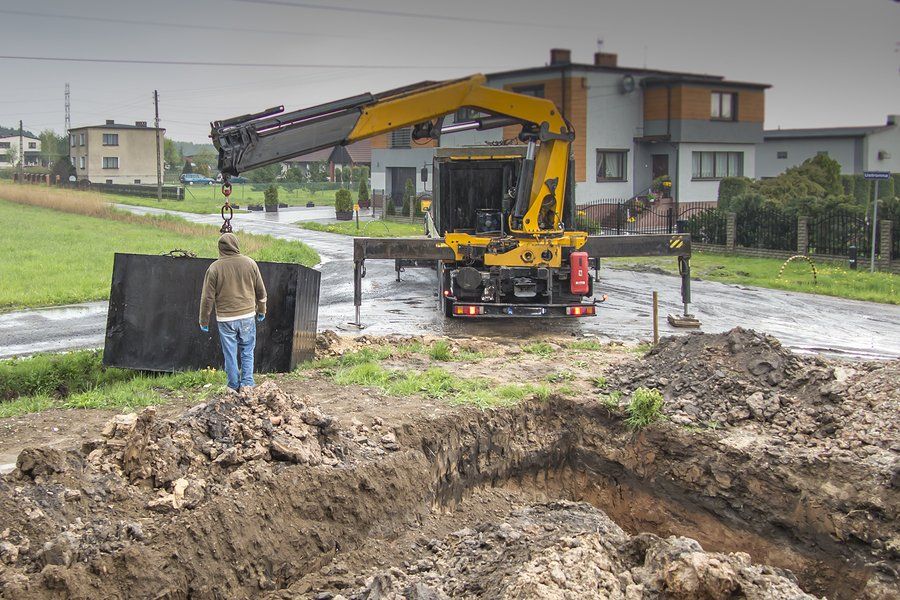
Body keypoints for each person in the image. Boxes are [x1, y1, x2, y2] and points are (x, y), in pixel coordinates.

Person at [199, 233, 267, 393]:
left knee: (229, 353)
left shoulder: (214, 268)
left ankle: (233, 385)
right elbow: (261, 291)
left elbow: (207, 298)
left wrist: (204, 320)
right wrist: (262, 310)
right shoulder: (250, 263)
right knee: (247, 350)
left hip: (225, 318)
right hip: (247, 316)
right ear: (236, 245)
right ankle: (247, 384)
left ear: (220, 248)